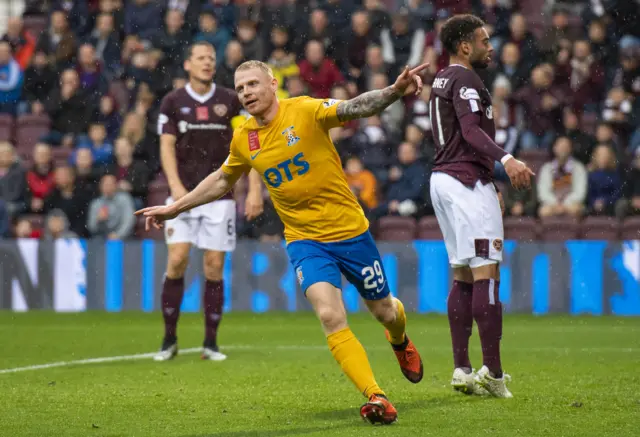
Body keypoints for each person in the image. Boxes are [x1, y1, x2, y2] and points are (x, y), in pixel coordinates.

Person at [137, 59, 429, 425]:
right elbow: (222, 179)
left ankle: (399, 340)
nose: (246, 93)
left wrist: (392, 92)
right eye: (240, 88)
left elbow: (354, 107)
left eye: (253, 85)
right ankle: (376, 396)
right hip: (305, 240)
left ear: (273, 85)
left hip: (351, 232)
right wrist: (177, 207)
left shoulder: (304, 110)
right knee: (329, 313)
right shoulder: (244, 137)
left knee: (385, 311)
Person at [428, 15, 534, 398]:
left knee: (462, 274)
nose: (490, 47)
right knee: (486, 272)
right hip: (465, 182)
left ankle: (462, 368)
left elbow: (458, 135)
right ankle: (494, 372)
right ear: (465, 46)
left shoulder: (441, 78)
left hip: (443, 179)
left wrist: (486, 176)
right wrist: (507, 160)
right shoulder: (467, 79)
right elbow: (471, 132)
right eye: (484, 40)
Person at [154, 41, 264, 362]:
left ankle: (210, 343)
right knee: (177, 260)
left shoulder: (230, 99)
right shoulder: (173, 102)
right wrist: (176, 191)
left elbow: (251, 142)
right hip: (183, 194)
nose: (207, 63)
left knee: (214, 266)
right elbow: (166, 147)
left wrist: (254, 188)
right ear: (187, 64)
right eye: (201, 58)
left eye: (211, 59)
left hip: (220, 195)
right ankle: (169, 338)